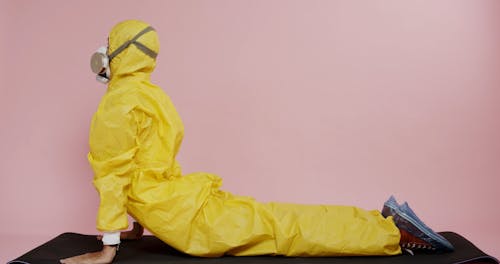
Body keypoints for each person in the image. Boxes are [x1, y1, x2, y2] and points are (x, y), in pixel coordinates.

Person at [60, 20, 453, 264]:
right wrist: (136, 227)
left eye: (109, 44)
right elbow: (145, 162)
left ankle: (390, 232)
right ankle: (382, 221)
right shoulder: (151, 94)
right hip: (180, 203)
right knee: (279, 219)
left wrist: (109, 244)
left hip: (183, 215)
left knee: (285, 228)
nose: (103, 52)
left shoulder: (118, 103)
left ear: (120, 54)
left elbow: (114, 174)